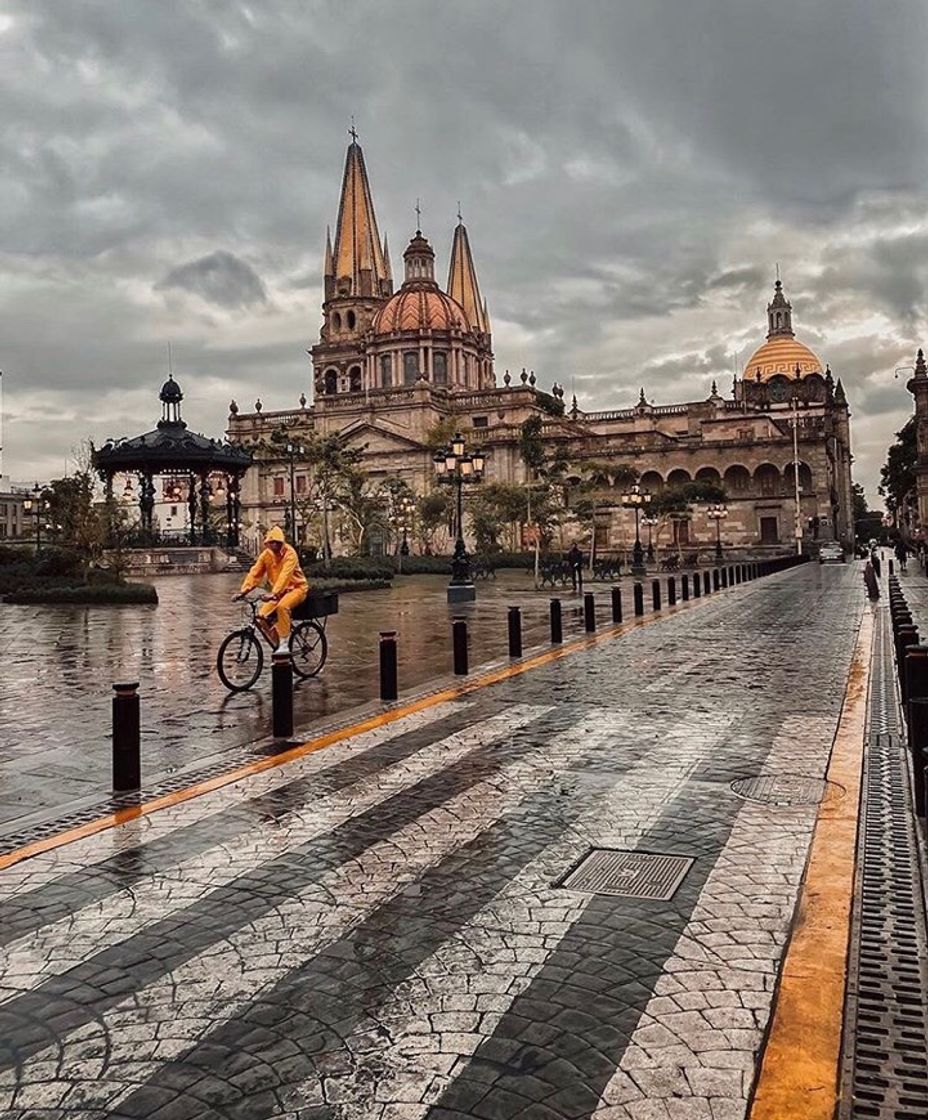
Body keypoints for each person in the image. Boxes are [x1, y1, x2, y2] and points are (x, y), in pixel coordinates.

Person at [234, 526, 308, 653]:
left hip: (297, 589)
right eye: (271, 542)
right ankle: (277, 645)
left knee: (282, 607)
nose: (274, 545)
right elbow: (255, 573)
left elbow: (285, 576)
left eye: (277, 542)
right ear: (267, 543)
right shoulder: (266, 555)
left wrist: (273, 593)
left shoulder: (290, 554)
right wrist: (243, 591)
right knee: (261, 617)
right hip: (279, 593)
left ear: (282, 542)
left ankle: (284, 643)